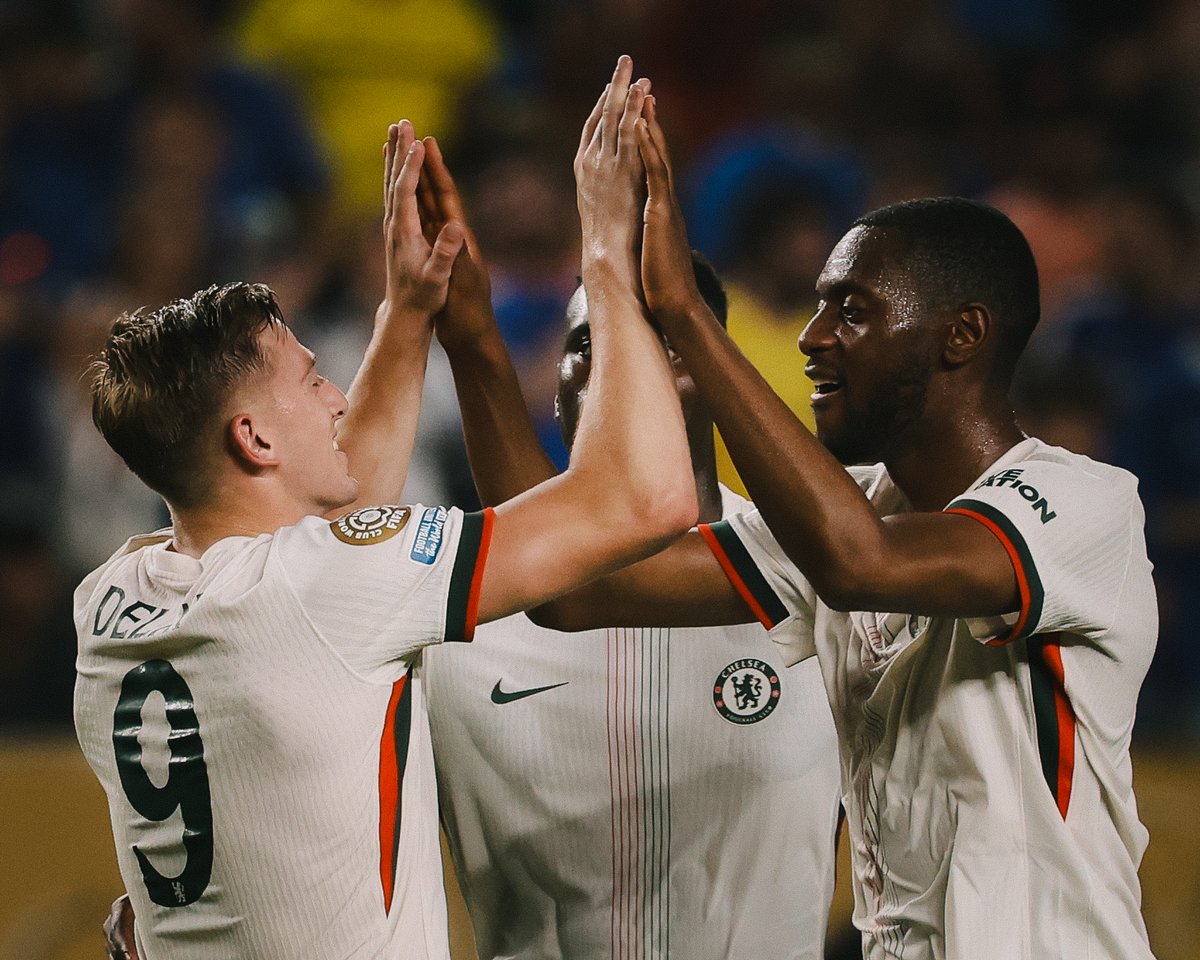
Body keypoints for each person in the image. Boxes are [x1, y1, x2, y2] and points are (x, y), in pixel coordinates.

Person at [75, 58, 697, 960]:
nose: (336, 398)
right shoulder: (323, 586)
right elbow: (649, 499)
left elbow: (318, 548)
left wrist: (407, 313)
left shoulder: (112, 595)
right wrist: (603, 249)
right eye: (311, 381)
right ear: (253, 438)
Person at [528, 97, 1159, 960]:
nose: (813, 337)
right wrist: (483, 340)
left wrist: (687, 315)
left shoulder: (1083, 505)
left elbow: (862, 564)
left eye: (852, 311)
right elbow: (572, 591)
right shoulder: (853, 510)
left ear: (962, 335)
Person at [420, 238, 841, 957]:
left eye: (656, 338)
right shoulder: (454, 595)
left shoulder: (818, 572)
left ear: (710, 367)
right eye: (586, 342)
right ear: (557, 386)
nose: (613, 361)